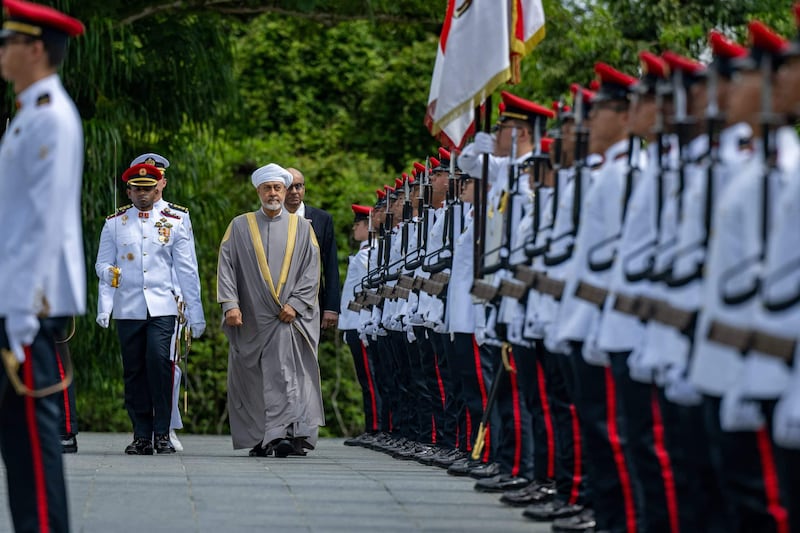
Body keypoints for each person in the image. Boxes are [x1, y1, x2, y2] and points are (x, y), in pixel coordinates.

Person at [0, 0, 85, 530]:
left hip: (28, 308)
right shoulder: (30, 112)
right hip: (14, 302)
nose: (1, 52)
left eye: (7, 42)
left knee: (34, 447)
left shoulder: (51, 115)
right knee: (18, 449)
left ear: (36, 49)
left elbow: (44, 223)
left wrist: (22, 315)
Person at [95, 163, 205, 455]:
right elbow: (102, 263)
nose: (142, 194)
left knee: (159, 363)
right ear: (128, 190)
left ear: (158, 187)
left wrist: (196, 313)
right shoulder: (115, 223)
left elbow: (187, 270)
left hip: (162, 306)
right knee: (134, 370)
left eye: (148, 189)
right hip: (128, 307)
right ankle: (141, 434)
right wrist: (106, 294)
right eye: (137, 189)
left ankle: (162, 432)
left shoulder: (175, 220)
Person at [217, 163, 324, 458]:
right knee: (252, 378)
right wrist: (230, 304)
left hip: (288, 317)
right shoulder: (239, 226)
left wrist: (296, 305)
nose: (273, 193)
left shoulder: (303, 228)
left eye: (278, 187)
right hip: (250, 317)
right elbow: (226, 267)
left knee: (286, 375)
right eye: (268, 188)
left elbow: (312, 271)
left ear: (285, 190)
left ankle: (282, 435)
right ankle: (261, 437)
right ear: (258, 191)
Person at [129, 152, 196, 452]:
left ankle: (167, 426)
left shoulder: (177, 216)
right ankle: (145, 429)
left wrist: (188, 305)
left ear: (162, 183)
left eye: (155, 181)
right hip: (135, 304)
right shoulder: (125, 217)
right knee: (139, 366)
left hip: (169, 302)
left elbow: (187, 264)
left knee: (168, 366)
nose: (150, 188)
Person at [284, 167, 340, 330]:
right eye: (289, 187)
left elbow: (330, 265)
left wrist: (331, 307)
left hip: (312, 302)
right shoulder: (271, 219)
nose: (294, 191)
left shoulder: (322, 219)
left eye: (299, 186)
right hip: (278, 302)